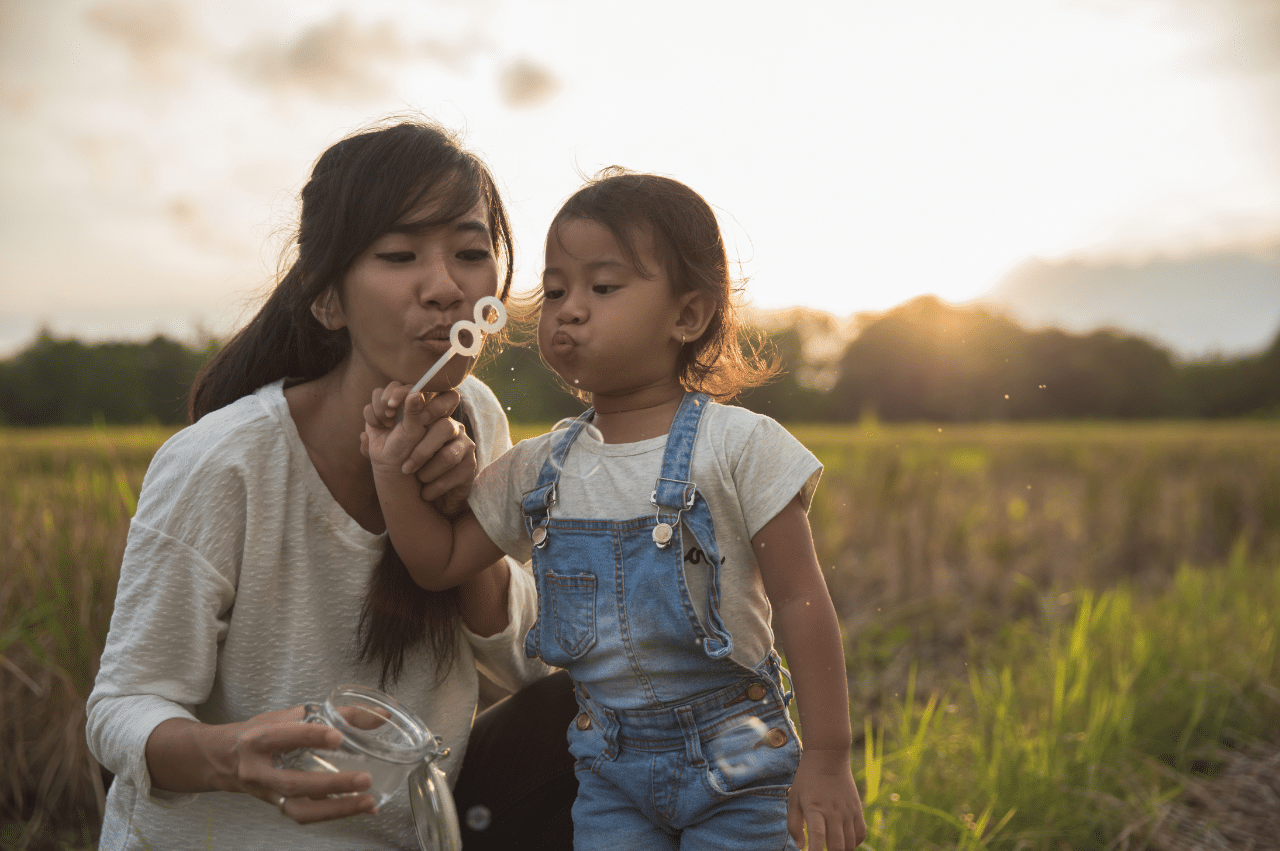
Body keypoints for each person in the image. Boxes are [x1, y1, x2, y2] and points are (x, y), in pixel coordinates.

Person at [85, 119, 578, 850]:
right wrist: (232, 755)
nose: (443, 286)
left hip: (411, 832)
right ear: (327, 300)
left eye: (470, 254)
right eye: (399, 253)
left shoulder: (476, 417)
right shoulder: (222, 462)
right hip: (228, 836)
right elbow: (121, 705)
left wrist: (460, 529)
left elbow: (531, 662)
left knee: (605, 704)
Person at [365, 171, 867, 850]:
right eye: (557, 290)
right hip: (606, 771)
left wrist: (828, 757)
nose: (570, 309)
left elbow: (803, 601)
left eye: (603, 288)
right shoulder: (542, 467)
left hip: (738, 760)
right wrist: (392, 467)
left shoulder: (740, 446)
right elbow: (440, 561)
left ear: (687, 316)